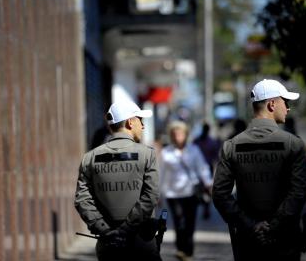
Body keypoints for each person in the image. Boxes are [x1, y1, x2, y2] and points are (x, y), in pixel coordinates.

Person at [212, 79, 306, 261]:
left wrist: (251, 226)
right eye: (285, 102)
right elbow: (298, 192)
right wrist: (274, 226)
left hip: (248, 242)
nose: (288, 108)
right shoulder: (293, 144)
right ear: (272, 104)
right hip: (285, 240)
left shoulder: (231, 146)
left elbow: (220, 194)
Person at [74, 100, 162, 261]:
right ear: (130, 122)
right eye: (140, 120)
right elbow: (151, 196)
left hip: (107, 244)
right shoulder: (147, 155)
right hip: (141, 243)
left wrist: (106, 231)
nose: (142, 126)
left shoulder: (89, 158)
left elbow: (82, 200)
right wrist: (125, 230)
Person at [159, 120, 212, 261]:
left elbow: (202, 167)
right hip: (172, 193)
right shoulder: (166, 152)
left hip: (191, 192)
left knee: (190, 222)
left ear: (186, 134)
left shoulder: (193, 149)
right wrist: (158, 194)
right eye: (175, 134)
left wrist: (208, 183)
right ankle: (180, 248)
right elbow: (161, 173)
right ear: (171, 135)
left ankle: (188, 250)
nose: (177, 136)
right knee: (178, 221)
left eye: (180, 133)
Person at [193, 122, 221, 219]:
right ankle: (199, 205)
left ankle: (206, 209)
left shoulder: (211, 142)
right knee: (198, 189)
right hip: (197, 169)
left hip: (208, 167)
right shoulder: (197, 141)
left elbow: (216, 157)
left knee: (207, 189)